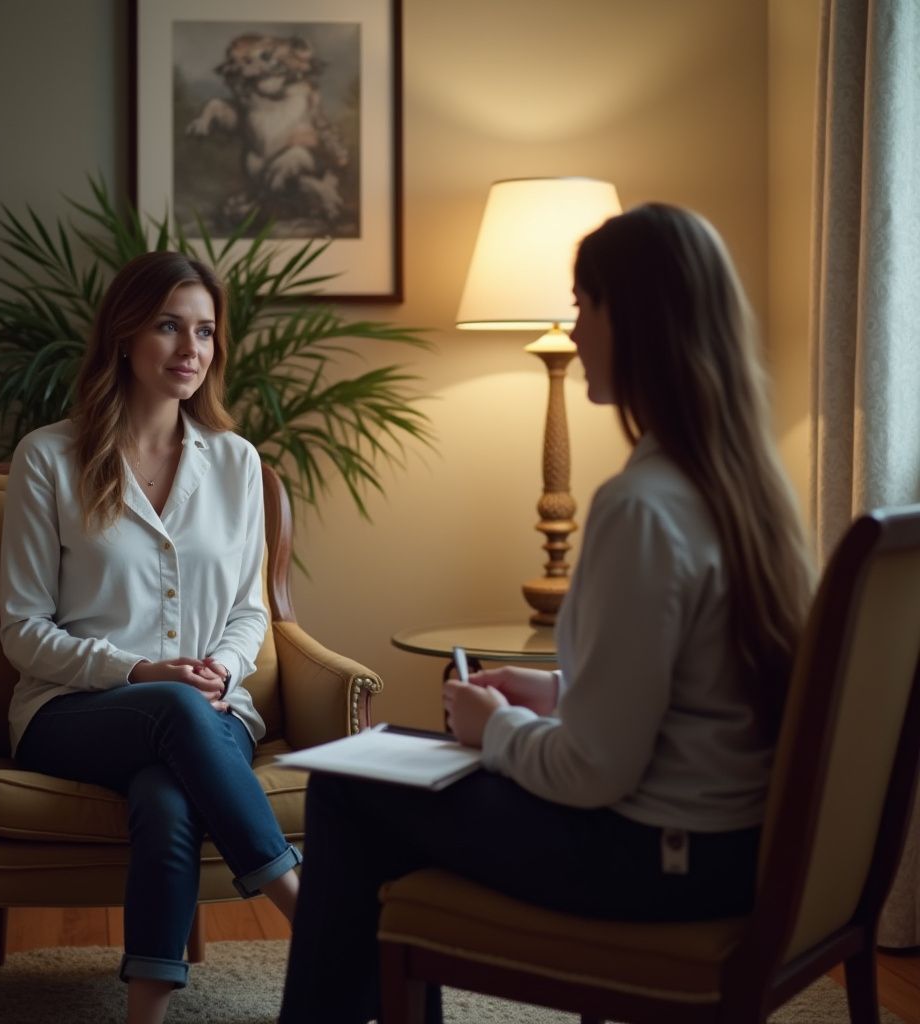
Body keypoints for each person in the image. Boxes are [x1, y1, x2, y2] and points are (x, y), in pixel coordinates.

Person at [277, 203, 815, 1023]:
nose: (571, 327)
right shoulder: (749, 491)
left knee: (352, 791)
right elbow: (694, 689)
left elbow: (594, 774)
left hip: (652, 860)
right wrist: (555, 695)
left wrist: (489, 728)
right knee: (384, 778)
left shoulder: (641, 506)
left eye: (580, 305)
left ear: (626, 319)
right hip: (732, 850)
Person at [0, 251, 301, 1024]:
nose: (190, 348)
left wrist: (222, 671)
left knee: (167, 796)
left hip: (212, 709)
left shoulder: (236, 463)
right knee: (170, 707)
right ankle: (305, 904)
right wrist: (141, 671)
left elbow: (249, 609)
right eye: (169, 326)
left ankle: (145, 1017)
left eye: (204, 330)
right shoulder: (50, 458)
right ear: (125, 335)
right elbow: (21, 630)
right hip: (71, 713)